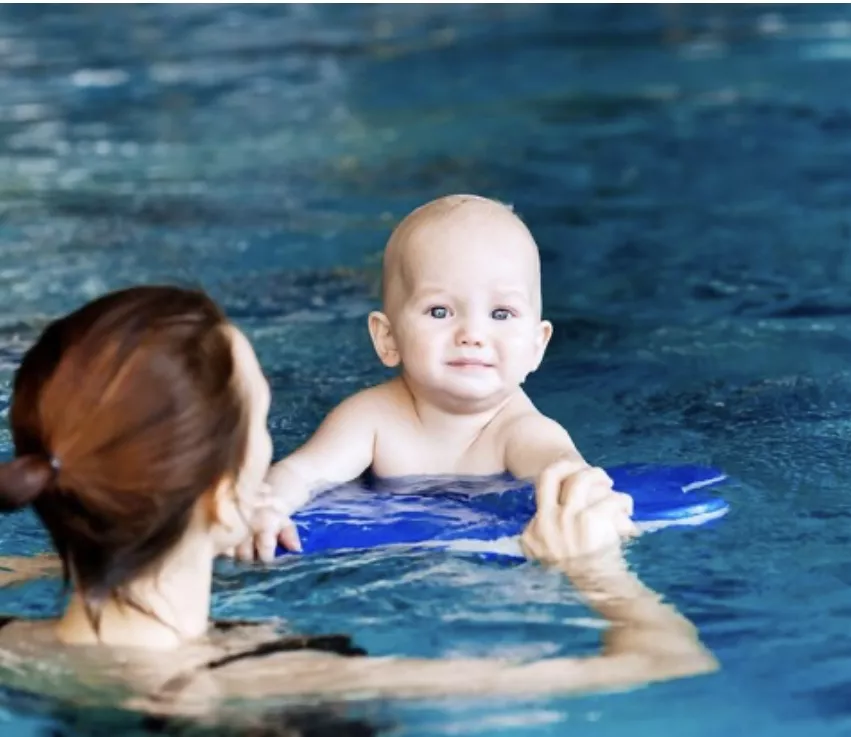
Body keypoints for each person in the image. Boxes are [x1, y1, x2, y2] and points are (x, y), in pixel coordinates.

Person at [0, 285, 715, 727]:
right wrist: (596, 570)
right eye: (262, 427)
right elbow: (664, 660)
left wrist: (42, 565)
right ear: (221, 497)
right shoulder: (275, 682)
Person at [237, 194, 626, 562]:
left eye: (501, 314)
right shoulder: (372, 419)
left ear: (537, 346)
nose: (472, 334)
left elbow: (565, 473)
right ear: (388, 338)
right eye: (440, 311)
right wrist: (267, 507)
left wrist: (587, 506)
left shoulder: (520, 430)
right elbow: (301, 473)